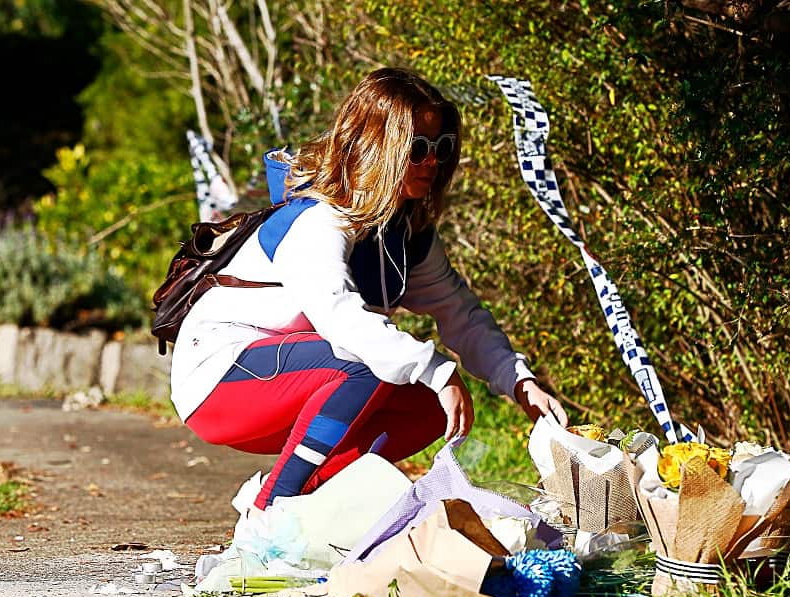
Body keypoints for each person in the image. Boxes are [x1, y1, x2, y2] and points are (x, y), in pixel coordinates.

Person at [170, 66, 568, 511]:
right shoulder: (317, 221)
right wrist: (438, 368)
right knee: (368, 364)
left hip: (292, 380)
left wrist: (519, 381)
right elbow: (344, 323)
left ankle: (312, 506)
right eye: (418, 148)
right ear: (376, 147)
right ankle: (270, 513)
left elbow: (462, 316)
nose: (433, 162)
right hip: (220, 378)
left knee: (431, 407)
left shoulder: (407, 232)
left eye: (442, 147)